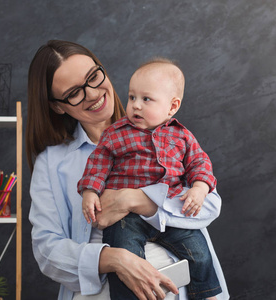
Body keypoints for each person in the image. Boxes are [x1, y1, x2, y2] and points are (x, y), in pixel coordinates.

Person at [26, 40, 229, 300]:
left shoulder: (169, 133)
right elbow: (47, 251)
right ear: (58, 105)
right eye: (74, 92)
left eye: (93, 77)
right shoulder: (52, 163)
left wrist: (138, 200)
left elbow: (210, 205)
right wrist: (115, 259)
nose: (92, 93)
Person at [78, 58, 221, 300]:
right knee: (125, 257)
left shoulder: (182, 136)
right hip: (127, 218)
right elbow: (97, 164)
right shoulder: (116, 134)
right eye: (132, 97)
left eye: (146, 99)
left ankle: (207, 295)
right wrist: (90, 192)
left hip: (169, 215)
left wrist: (199, 186)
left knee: (199, 250)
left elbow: (200, 163)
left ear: (172, 106)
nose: (135, 106)